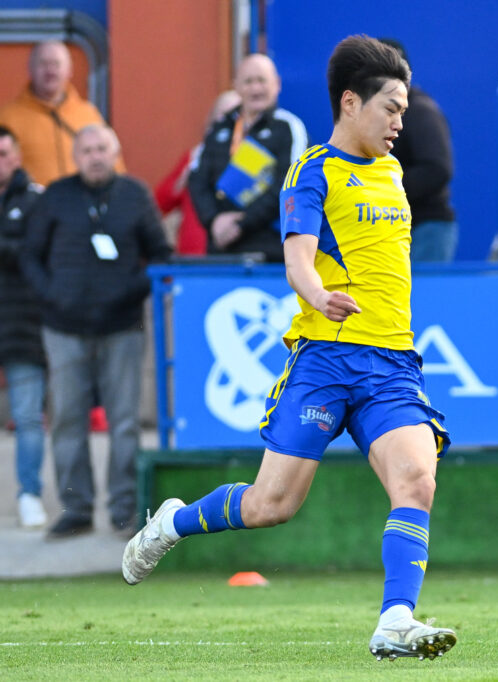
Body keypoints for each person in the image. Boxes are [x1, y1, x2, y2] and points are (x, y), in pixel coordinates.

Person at [122, 35, 457, 662]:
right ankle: (171, 522)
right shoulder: (312, 170)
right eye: (391, 108)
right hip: (325, 359)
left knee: (417, 480)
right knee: (270, 505)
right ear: (351, 103)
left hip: (391, 364)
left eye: (404, 110)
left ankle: (394, 619)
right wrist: (319, 293)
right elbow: (297, 259)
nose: (399, 123)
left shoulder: (393, 173)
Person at [20, 124, 171, 539]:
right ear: (76, 157)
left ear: (115, 151)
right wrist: (52, 296)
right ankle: (76, 509)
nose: (95, 156)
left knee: (124, 423)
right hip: (63, 329)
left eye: (102, 148)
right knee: (68, 421)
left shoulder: (135, 194)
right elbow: (30, 255)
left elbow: (160, 254)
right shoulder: (56, 196)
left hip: (123, 327)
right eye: (86, 150)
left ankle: (125, 510)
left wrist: (128, 292)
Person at [188, 54, 307, 262]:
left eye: (261, 81)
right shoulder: (220, 127)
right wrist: (213, 220)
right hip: (221, 251)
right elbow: (197, 181)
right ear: (236, 86)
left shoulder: (288, 127)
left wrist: (241, 223)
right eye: (248, 81)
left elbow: (290, 183)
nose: (255, 88)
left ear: (277, 84)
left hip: (272, 254)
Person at [0, 126, 47, 529]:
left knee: (28, 415)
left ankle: (29, 493)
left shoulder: (36, 200)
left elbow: (36, 253)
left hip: (20, 322)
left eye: (2, 154)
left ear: (16, 157)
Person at [0, 41, 123, 186]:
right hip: (33, 200)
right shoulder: (7, 117)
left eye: (56, 64)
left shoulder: (88, 114)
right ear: (30, 69)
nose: (50, 71)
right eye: (43, 63)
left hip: (83, 199)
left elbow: (113, 162)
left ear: (69, 71)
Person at [379, 39, 458, 262]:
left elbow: (437, 169)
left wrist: (383, 189)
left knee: (420, 286)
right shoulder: (375, 114)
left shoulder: (421, 112)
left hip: (425, 228)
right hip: (390, 227)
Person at [154, 90, 242, 256]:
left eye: (236, 114)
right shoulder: (195, 156)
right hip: (192, 256)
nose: (229, 121)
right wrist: (181, 182)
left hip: (234, 255)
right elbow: (159, 203)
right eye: (223, 115)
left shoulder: (256, 156)